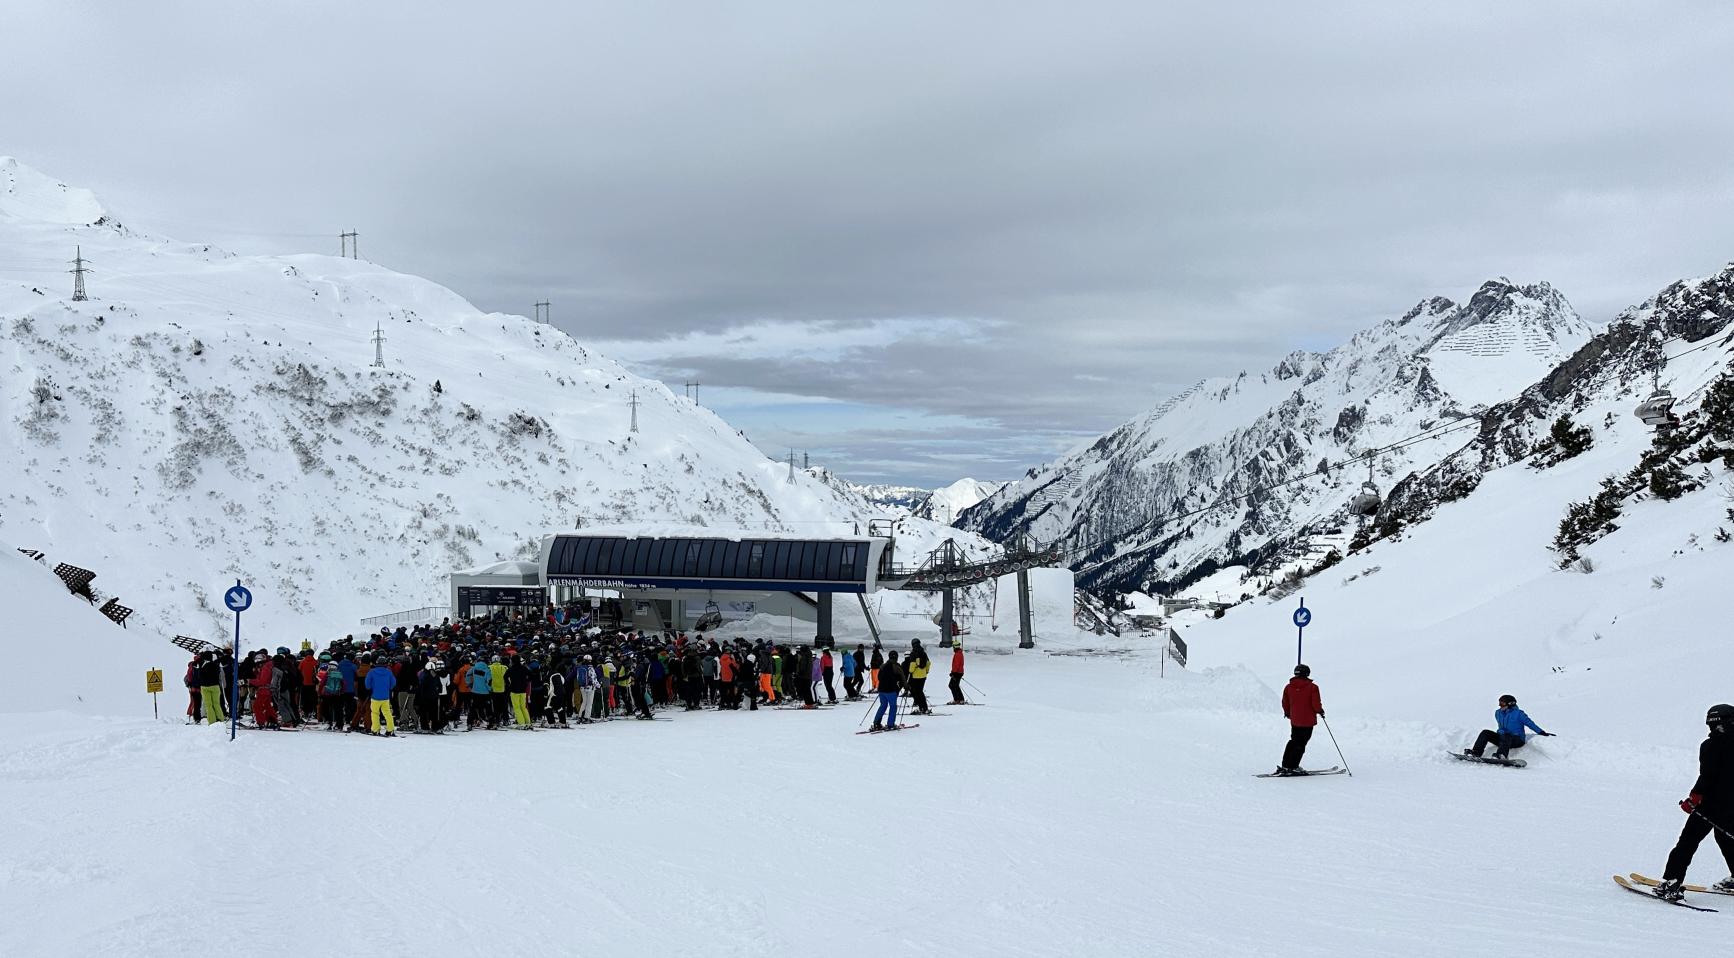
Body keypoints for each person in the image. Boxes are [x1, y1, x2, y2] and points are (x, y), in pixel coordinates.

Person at [1653, 704, 1734, 901]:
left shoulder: (1710, 746)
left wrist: (1693, 798)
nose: (1712, 730)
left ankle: (1671, 882)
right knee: (1726, 839)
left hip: (1710, 806)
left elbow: (1707, 777)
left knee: (1687, 843)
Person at [1464, 694, 1552, 760]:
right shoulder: (1498, 713)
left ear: (1510, 704)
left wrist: (1541, 732)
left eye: (1502, 703)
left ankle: (1501, 755)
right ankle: (1476, 753)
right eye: (1499, 703)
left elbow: (1530, 724)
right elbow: (1501, 726)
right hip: (1503, 739)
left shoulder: (1519, 714)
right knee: (1485, 732)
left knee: (1507, 735)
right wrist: (1500, 730)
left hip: (1517, 740)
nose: (1500, 705)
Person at [1276, 664, 1323, 775]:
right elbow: (1315, 703)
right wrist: (1320, 711)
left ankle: (1286, 765)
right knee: (1301, 743)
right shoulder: (1313, 687)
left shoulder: (1288, 687)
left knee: (1293, 741)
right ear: (1307, 673)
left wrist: (1288, 713)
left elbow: (1285, 703)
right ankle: (1293, 766)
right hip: (1308, 721)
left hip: (1295, 720)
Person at [872, 651, 905, 731]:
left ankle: (876, 723)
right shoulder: (896, 666)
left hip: (881, 690)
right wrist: (906, 687)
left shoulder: (883, 666)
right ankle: (890, 724)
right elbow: (902, 678)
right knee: (893, 707)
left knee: (883, 705)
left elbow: (879, 677)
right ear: (896, 657)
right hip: (891, 690)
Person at [363, 657, 397, 735]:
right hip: (385, 696)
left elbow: (367, 684)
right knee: (387, 713)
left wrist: (371, 688)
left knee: (375, 713)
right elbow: (393, 683)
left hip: (375, 696)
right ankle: (390, 729)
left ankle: (375, 729)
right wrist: (388, 688)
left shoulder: (371, 672)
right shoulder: (389, 672)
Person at [906, 639, 931, 715]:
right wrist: (926, 671)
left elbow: (913, 664)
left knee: (916, 692)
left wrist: (910, 671)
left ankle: (921, 707)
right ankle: (924, 708)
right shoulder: (923, 653)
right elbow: (928, 663)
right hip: (923, 675)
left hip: (916, 675)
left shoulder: (913, 653)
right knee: (920, 691)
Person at [948, 640, 966, 705]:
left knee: (952, 685)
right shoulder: (959, 653)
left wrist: (953, 673)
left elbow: (956, 665)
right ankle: (961, 699)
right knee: (955, 686)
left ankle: (957, 700)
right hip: (959, 672)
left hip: (957, 673)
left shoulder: (958, 654)